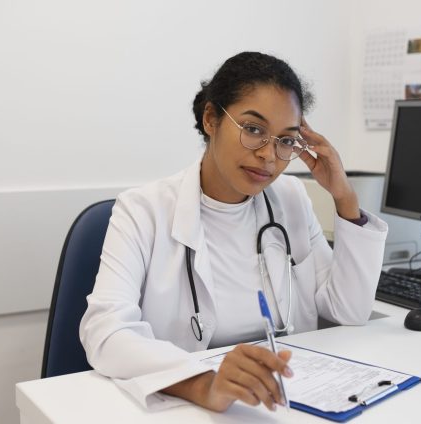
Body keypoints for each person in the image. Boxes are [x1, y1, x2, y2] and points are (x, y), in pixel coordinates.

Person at [80, 51, 387, 412]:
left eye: (285, 140)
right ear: (211, 118)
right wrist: (204, 383)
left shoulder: (291, 199)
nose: (269, 156)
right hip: (185, 404)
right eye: (253, 129)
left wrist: (344, 197)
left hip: (282, 400)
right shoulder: (143, 211)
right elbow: (106, 331)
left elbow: (348, 311)